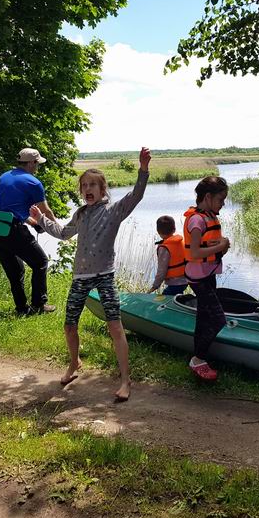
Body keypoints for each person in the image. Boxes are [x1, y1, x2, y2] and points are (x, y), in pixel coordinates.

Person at [29, 147, 151, 402]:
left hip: (104, 275)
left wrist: (143, 169)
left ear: (102, 189)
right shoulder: (81, 214)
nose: (87, 189)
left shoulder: (114, 211)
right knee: (69, 326)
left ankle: (125, 381)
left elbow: (137, 195)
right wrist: (41, 220)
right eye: (84, 185)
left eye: (93, 184)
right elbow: (63, 233)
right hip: (80, 278)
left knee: (115, 327)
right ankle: (75, 364)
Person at [0, 148, 57, 316]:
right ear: (31, 163)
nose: (37, 167)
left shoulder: (4, 176)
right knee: (40, 262)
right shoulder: (33, 182)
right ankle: (39, 305)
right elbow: (46, 211)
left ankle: (21, 309)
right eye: (37, 164)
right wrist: (58, 229)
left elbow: (12, 210)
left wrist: (34, 223)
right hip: (12, 230)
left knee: (15, 270)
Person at [183, 176, 231, 381]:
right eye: (221, 199)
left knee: (204, 318)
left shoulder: (208, 216)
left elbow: (206, 248)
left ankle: (199, 358)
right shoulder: (196, 220)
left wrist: (221, 249)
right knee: (218, 319)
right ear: (208, 197)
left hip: (208, 275)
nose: (223, 203)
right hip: (199, 279)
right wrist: (221, 246)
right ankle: (198, 359)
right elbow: (194, 253)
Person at [148, 215, 189, 296]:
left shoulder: (164, 248)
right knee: (176, 299)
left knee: (164, 299)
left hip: (175, 282)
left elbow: (161, 271)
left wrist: (155, 285)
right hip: (186, 280)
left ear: (158, 231)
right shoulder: (181, 241)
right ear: (174, 229)